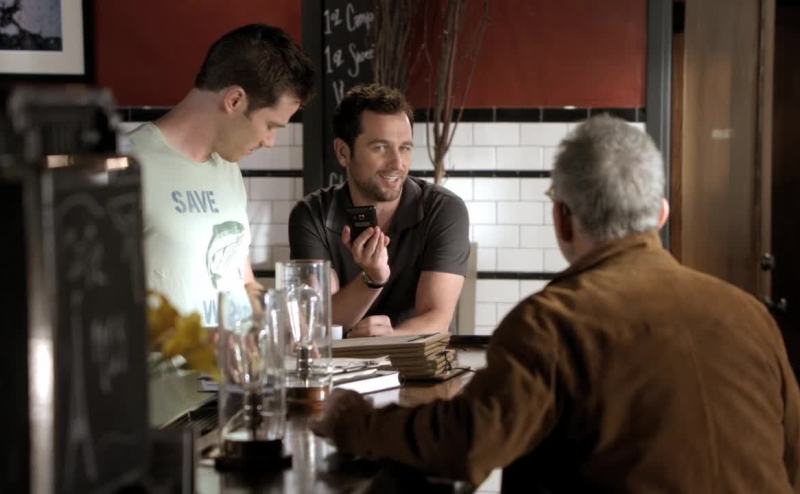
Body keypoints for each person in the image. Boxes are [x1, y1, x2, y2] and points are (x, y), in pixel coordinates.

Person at [312, 115, 800, 492]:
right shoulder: (750, 315)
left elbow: (467, 442)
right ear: (661, 215)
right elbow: (792, 457)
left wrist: (355, 421)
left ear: (562, 219)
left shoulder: (551, 322)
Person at [128, 24, 313, 325]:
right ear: (235, 100)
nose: (270, 141)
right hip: (173, 358)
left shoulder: (228, 169)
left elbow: (243, 281)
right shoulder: (127, 165)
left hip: (237, 356)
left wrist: (282, 318)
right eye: (270, 126)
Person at [288, 84, 469, 337]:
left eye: (405, 148)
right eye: (380, 147)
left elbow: (436, 317)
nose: (397, 163)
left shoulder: (444, 209)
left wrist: (388, 340)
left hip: (414, 356)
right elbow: (321, 321)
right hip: (340, 359)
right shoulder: (311, 215)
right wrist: (372, 279)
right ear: (343, 152)